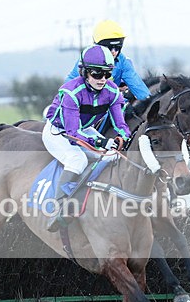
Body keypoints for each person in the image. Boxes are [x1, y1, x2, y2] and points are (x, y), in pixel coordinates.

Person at [44, 44, 131, 232]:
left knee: (113, 157)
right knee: (78, 159)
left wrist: (123, 137)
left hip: (84, 128)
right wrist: (100, 142)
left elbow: (120, 124)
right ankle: (58, 208)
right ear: (85, 72)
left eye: (107, 73)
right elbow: (73, 133)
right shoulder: (71, 92)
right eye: (97, 74)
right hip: (58, 131)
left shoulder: (112, 91)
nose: (103, 79)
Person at [65, 20, 151, 117]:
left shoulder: (123, 61)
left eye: (117, 48)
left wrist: (151, 104)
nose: (113, 52)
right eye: (109, 48)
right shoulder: (86, 60)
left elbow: (138, 87)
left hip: (108, 103)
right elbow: (74, 89)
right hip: (82, 105)